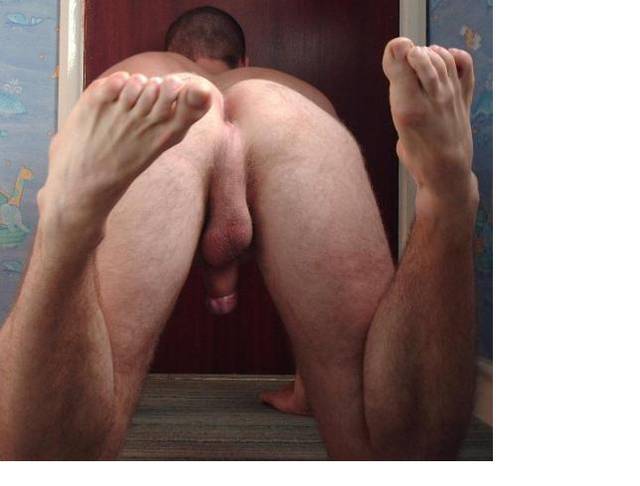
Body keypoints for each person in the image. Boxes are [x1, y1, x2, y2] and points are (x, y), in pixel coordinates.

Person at [0, 5, 478, 460]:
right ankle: (446, 202)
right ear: (243, 61)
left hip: (153, 109)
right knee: (391, 453)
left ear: (174, 51)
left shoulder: (145, 72)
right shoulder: (285, 87)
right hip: (288, 117)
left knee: (51, 458)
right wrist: (310, 389)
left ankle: (68, 226)